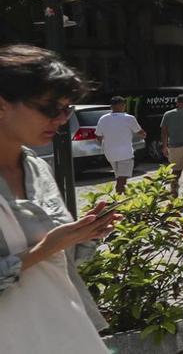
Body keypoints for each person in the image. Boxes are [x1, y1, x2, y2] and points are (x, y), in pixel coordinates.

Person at [0, 44, 120, 352]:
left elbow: (60, 263)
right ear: (2, 105)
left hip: (61, 332)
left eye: (67, 109)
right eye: (50, 108)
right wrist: (45, 248)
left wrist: (84, 236)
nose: (62, 119)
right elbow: (46, 249)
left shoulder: (38, 168)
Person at [95, 96, 145, 194]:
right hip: (125, 153)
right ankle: (119, 199)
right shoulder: (129, 118)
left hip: (110, 153)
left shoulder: (103, 118)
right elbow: (140, 132)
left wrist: (105, 144)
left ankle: (123, 196)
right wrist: (143, 135)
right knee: (122, 179)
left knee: (119, 177)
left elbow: (98, 136)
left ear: (111, 106)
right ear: (123, 105)